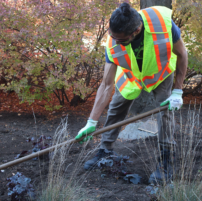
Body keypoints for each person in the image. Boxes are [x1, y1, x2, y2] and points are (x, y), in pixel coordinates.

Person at [75, 3, 187, 185]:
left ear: (136, 30)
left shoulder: (163, 24)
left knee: (164, 112)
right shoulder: (113, 42)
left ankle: (166, 161)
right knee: (116, 106)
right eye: (112, 36)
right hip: (132, 75)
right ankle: (105, 150)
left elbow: (182, 54)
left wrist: (177, 90)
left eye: (120, 39)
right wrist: (91, 122)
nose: (114, 41)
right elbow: (106, 85)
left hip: (160, 72)